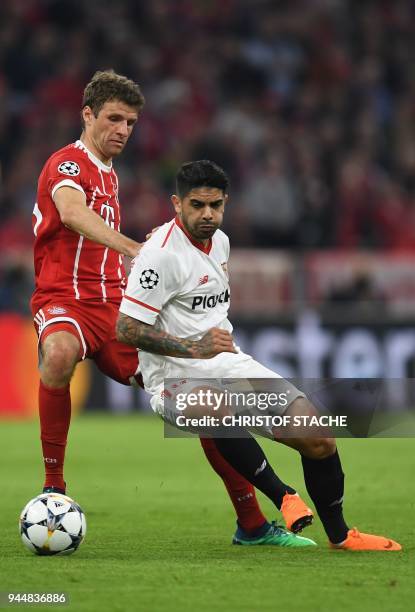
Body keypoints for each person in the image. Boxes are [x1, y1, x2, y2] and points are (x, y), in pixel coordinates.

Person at [31, 70, 308, 546]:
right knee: (57, 354)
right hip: (66, 300)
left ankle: (253, 523)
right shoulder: (69, 164)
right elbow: (73, 215)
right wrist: (135, 249)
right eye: (114, 118)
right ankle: (54, 487)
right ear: (87, 115)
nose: (122, 129)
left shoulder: (110, 174)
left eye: (131, 122)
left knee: (195, 397)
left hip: (115, 306)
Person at [116, 159, 402, 551]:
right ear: (176, 204)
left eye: (215, 205)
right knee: (211, 406)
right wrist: (193, 348)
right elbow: (126, 329)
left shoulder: (221, 242)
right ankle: (283, 495)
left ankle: (341, 536)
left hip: (231, 364)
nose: (207, 214)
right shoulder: (158, 255)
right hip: (174, 380)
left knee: (318, 435)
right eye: (197, 205)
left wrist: (212, 352)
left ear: (226, 203)